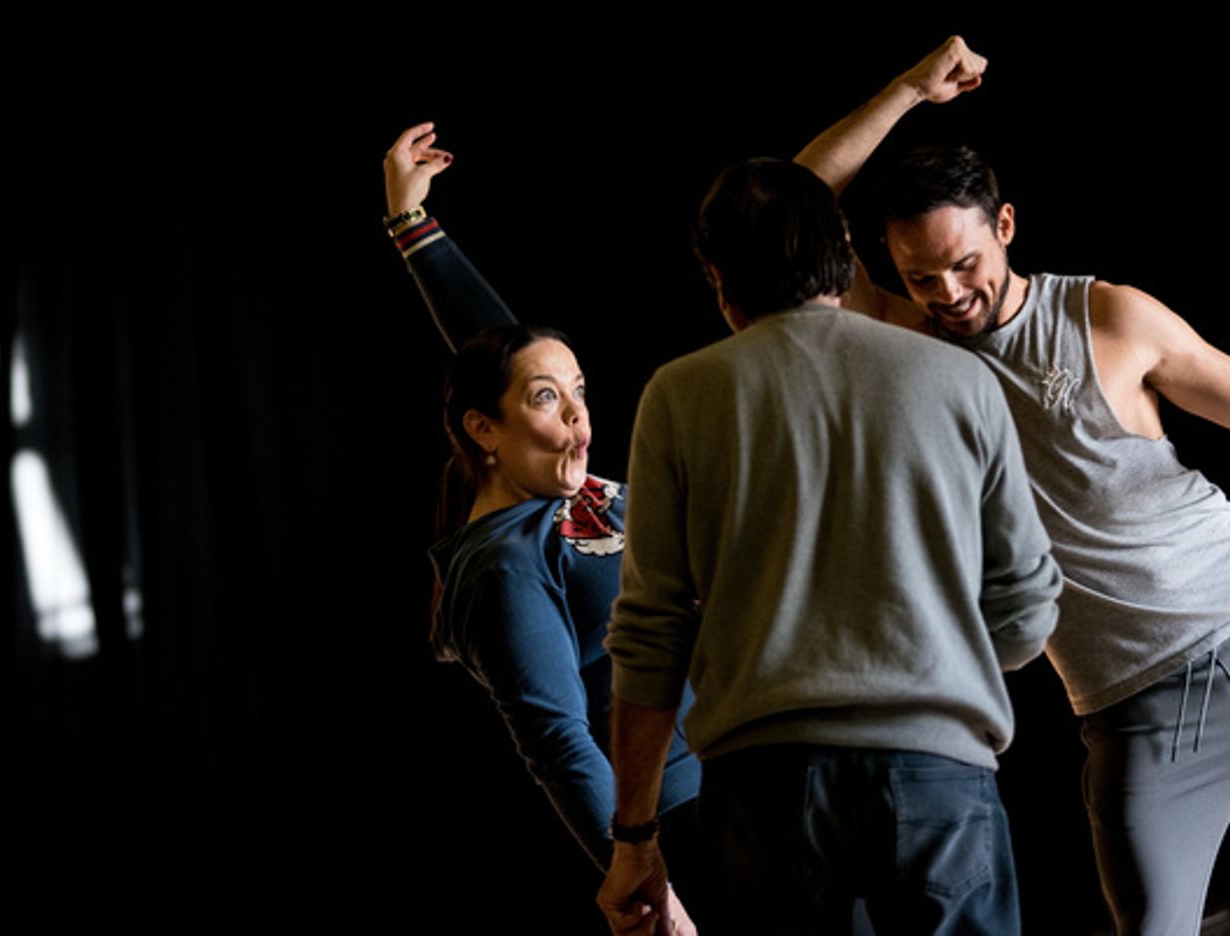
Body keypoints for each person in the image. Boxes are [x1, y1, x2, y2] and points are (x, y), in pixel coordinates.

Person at [795, 35, 1230, 935]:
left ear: (1006, 227)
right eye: (919, 276)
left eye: (965, 265)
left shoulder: (1108, 315)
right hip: (1136, 708)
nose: (948, 293)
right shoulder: (905, 345)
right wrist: (909, 90)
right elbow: (789, 208)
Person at [595, 154, 1062, 935]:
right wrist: (940, 653)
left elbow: (650, 636)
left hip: (765, 793)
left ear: (717, 277)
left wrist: (635, 839)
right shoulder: (959, 381)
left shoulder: (680, 396)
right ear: (843, 248)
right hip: (940, 783)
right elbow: (1026, 609)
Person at [383, 124, 701, 927]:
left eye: (579, 393)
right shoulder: (501, 566)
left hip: (758, 785)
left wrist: (413, 227)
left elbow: (501, 358)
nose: (580, 423)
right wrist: (649, 885)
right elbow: (560, 743)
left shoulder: (566, 485)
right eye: (548, 404)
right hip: (688, 827)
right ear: (484, 432)